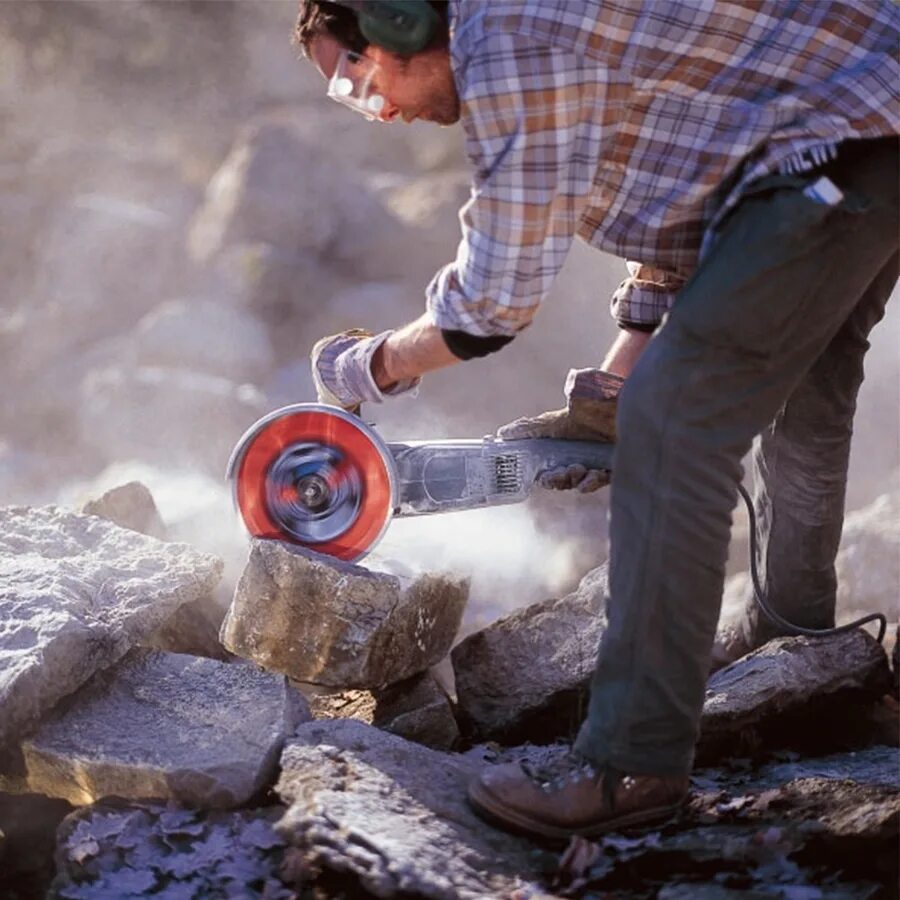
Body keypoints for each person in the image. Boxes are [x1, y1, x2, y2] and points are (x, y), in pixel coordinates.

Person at [293, 0, 899, 840]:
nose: (380, 110)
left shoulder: (504, 36)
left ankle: (632, 763)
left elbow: (490, 306)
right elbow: (704, 194)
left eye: (359, 81)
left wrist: (369, 366)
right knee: (801, 381)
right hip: (855, 132)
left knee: (678, 423)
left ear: (397, 24)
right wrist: (611, 391)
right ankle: (794, 643)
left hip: (855, 139)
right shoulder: (528, 27)